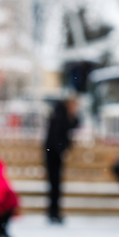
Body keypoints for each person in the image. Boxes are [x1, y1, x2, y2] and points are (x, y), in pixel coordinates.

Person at [44, 95, 79, 224]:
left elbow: (75, 124)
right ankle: (53, 213)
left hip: (54, 154)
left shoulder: (62, 115)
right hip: (53, 155)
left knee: (56, 185)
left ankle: (54, 212)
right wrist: (61, 150)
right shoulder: (59, 116)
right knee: (55, 185)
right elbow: (55, 137)